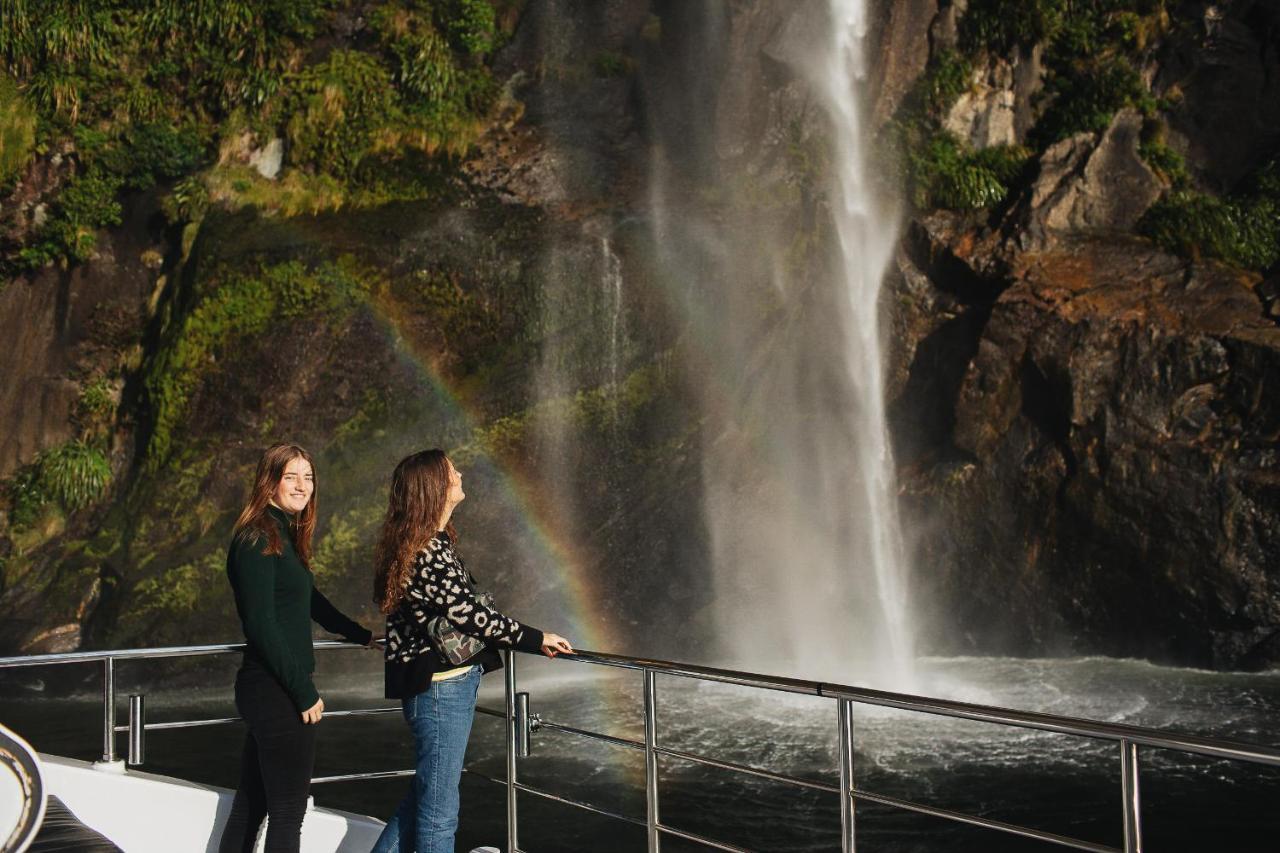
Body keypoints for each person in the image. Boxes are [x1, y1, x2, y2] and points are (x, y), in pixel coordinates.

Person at [370, 449, 573, 853]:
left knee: (423, 803)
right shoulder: (427, 551)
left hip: (440, 689)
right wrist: (537, 638)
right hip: (442, 692)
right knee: (438, 815)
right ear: (433, 488)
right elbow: (472, 616)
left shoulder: (427, 544)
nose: (460, 474)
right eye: (451, 471)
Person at [219, 444, 376, 853]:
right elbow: (260, 624)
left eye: (308, 477)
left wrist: (361, 635)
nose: (302, 485)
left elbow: (310, 600)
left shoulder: (281, 534)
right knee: (288, 812)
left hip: (272, 688)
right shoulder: (256, 537)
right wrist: (303, 691)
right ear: (268, 481)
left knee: (252, 806)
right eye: (291, 476)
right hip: (273, 689)